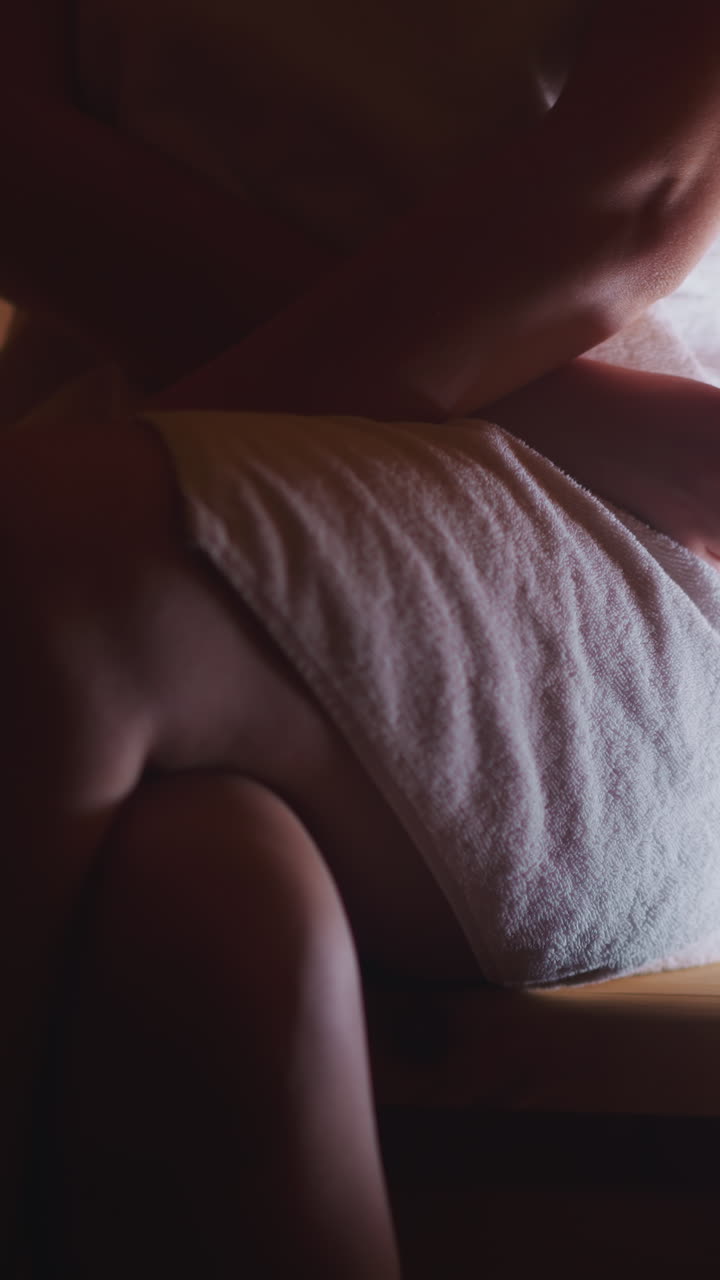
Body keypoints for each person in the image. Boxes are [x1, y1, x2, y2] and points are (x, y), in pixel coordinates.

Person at [4, 1, 720, 1275]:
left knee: (39, 560)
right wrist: (565, 404)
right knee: (202, 917)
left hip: (584, 554)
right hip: (127, 482)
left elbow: (633, 186)